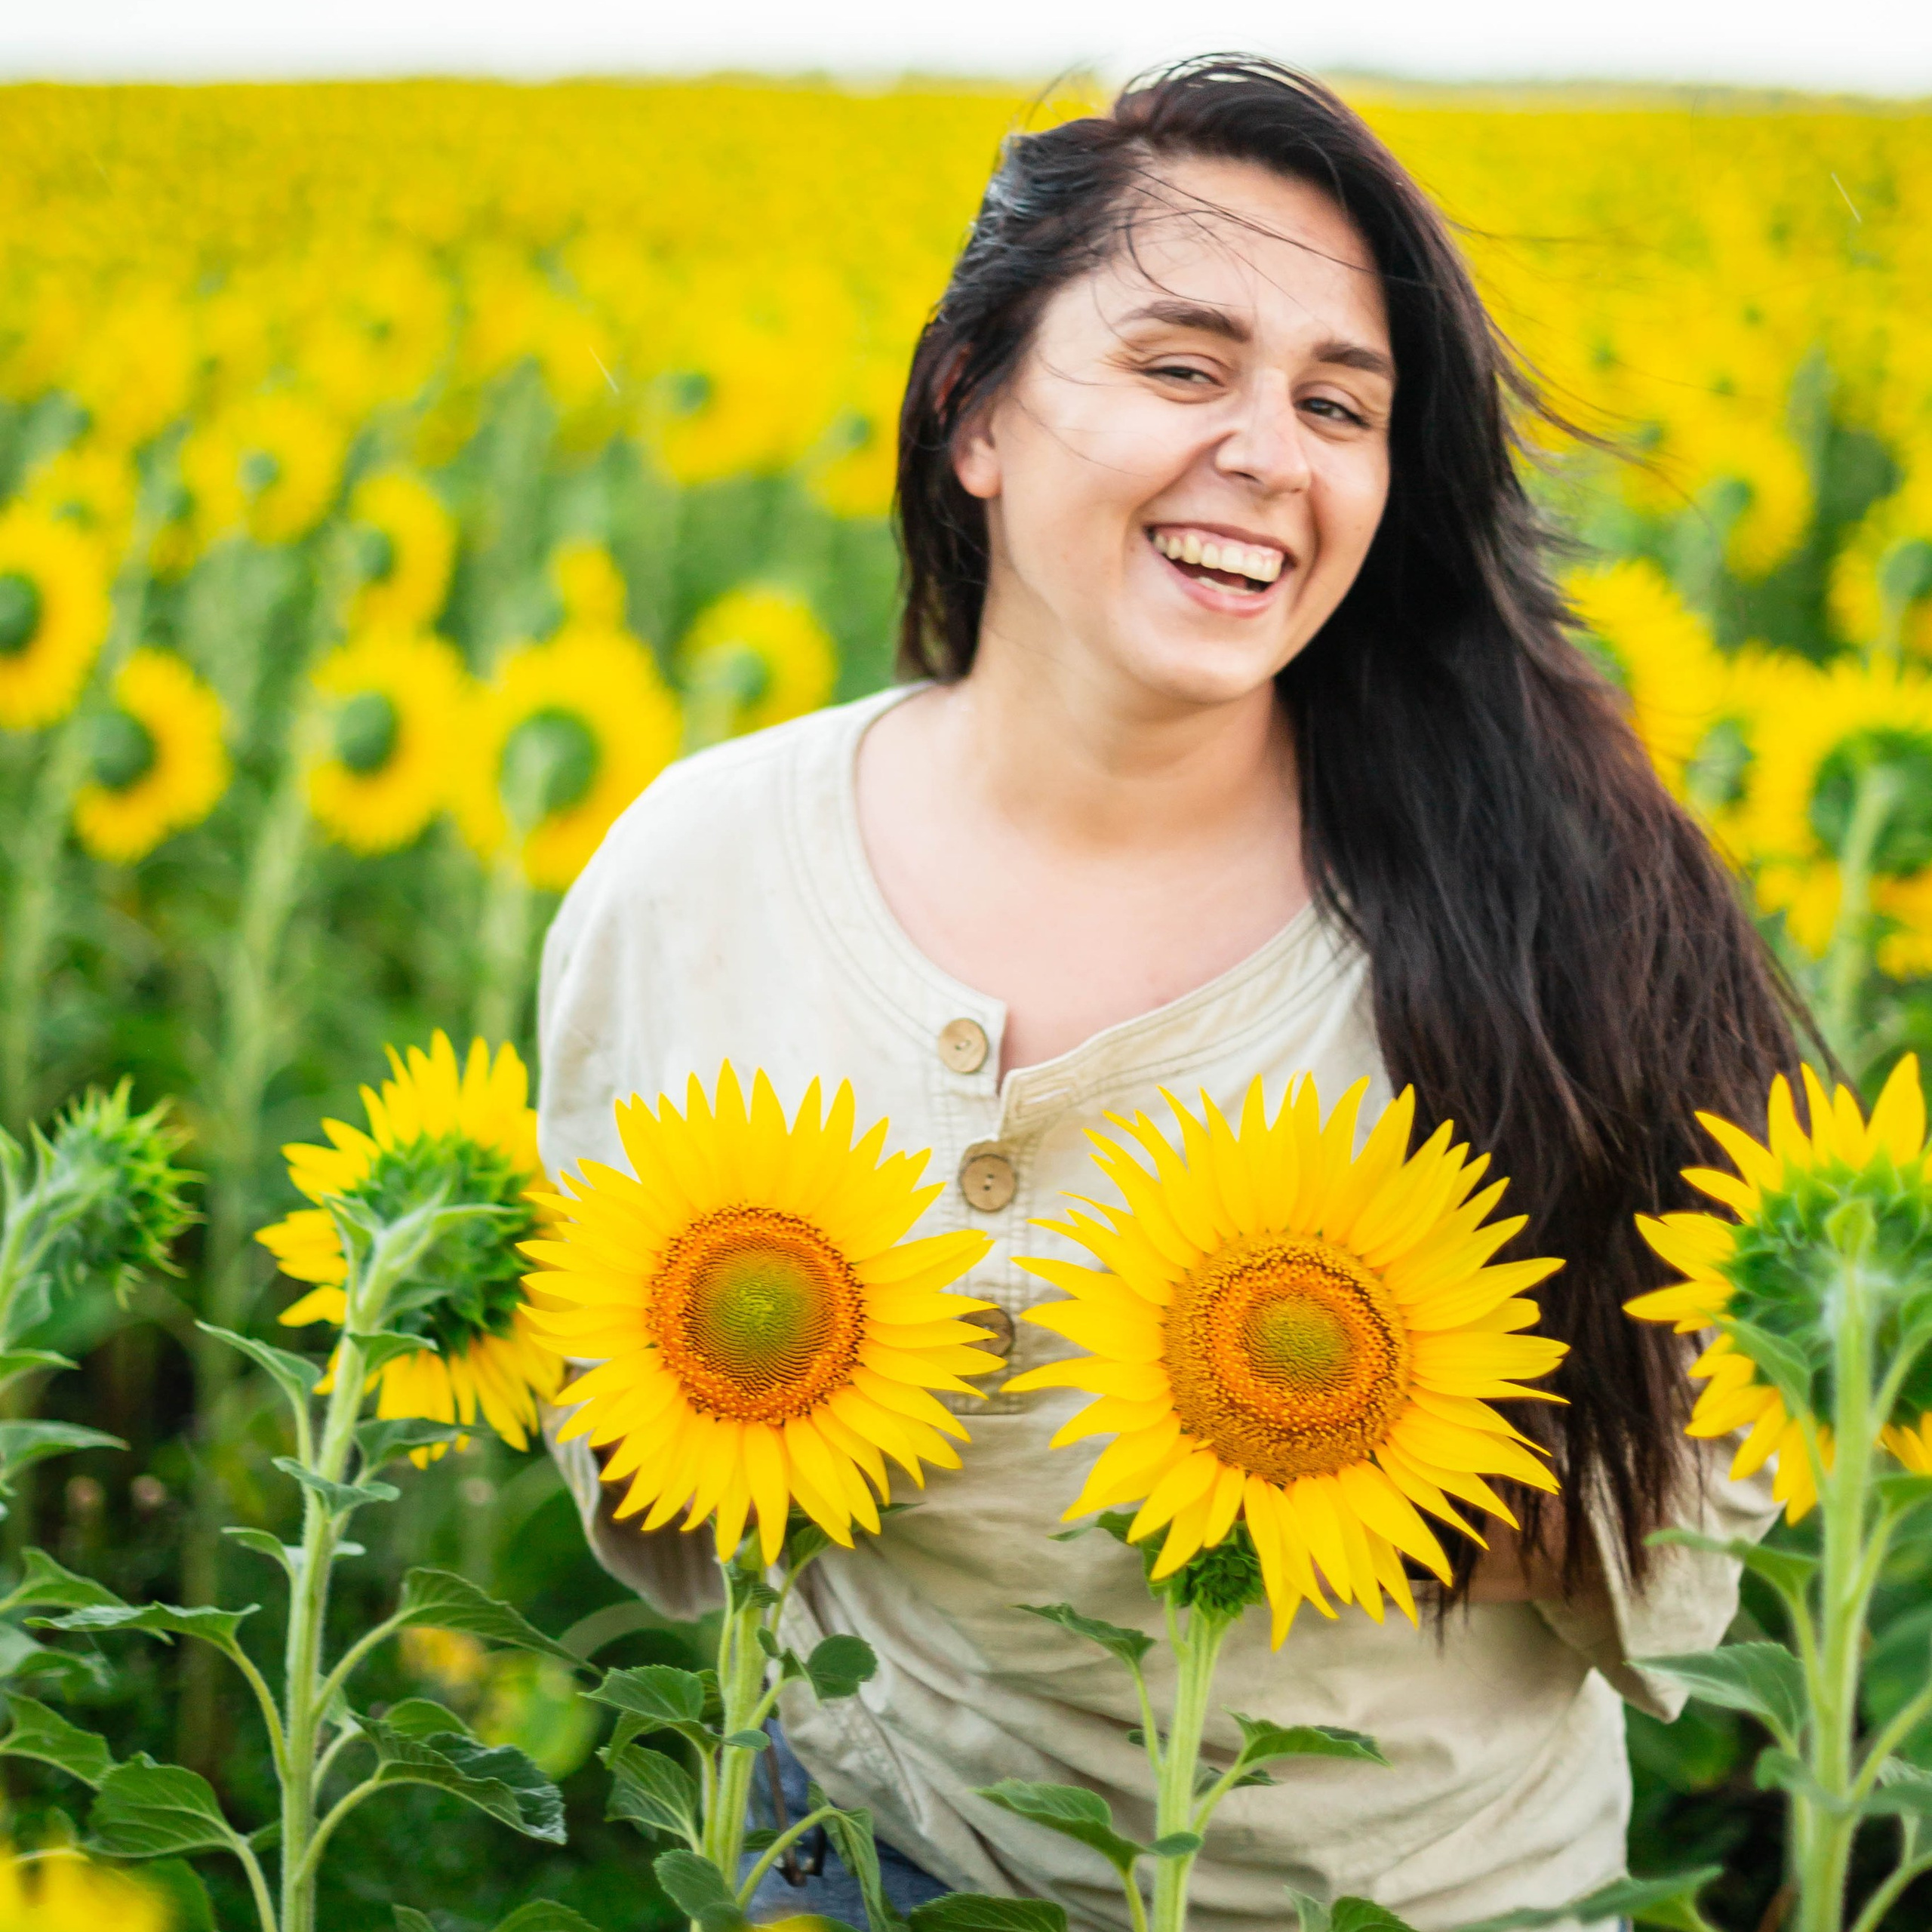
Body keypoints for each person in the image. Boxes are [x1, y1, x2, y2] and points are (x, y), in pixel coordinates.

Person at [537, 57, 1795, 1930]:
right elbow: (623, 1428)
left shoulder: (1548, 885)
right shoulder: (700, 872)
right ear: (971, 409)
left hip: (1429, 1899)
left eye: (1337, 404)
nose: (1268, 454)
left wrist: (1338, 1427)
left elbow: (1727, 1434)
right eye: (1180, 367)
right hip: (875, 1858)